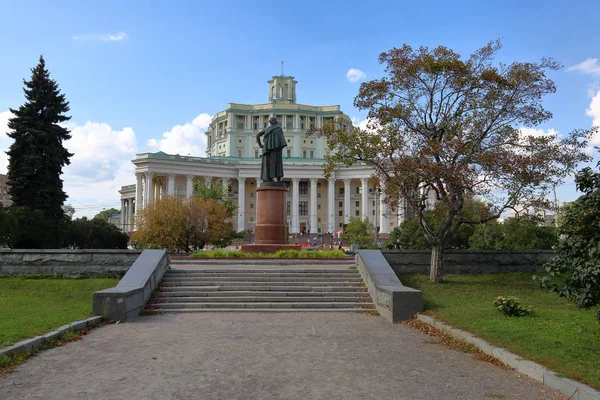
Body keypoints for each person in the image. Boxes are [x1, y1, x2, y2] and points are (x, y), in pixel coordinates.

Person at [256, 117, 287, 182]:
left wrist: (260, 145)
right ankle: (278, 178)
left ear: (270, 122)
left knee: (267, 163)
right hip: (276, 150)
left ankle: (268, 178)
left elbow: (257, 136)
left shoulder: (266, 129)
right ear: (275, 122)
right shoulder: (278, 129)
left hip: (267, 149)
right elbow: (282, 142)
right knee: (277, 163)